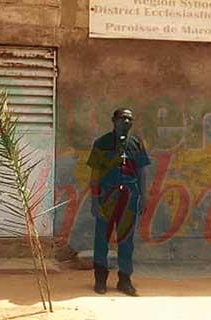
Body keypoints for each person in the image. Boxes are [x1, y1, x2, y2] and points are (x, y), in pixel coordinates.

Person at [86, 108, 150, 296]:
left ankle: (125, 280)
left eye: (130, 119)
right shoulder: (101, 143)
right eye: (123, 118)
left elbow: (142, 173)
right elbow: (95, 175)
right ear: (114, 120)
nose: (127, 122)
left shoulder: (136, 143)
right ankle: (100, 280)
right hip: (106, 198)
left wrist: (144, 197)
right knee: (101, 240)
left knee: (126, 240)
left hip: (129, 198)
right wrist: (95, 201)